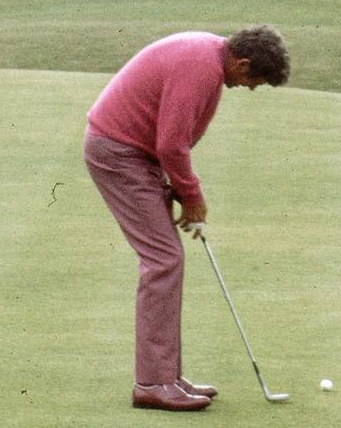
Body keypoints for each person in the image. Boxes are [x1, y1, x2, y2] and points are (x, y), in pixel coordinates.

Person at [84, 27, 290, 413]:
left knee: (167, 259)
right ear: (242, 63)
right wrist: (192, 196)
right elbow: (170, 143)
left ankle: (166, 376)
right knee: (164, 260)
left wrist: (178, 185)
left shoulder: (209, 55)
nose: (248, 88)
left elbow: (167, 141)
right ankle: (152, 383)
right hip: (119, 154)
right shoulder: (202, 67)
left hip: (132, 154)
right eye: (252, 80)